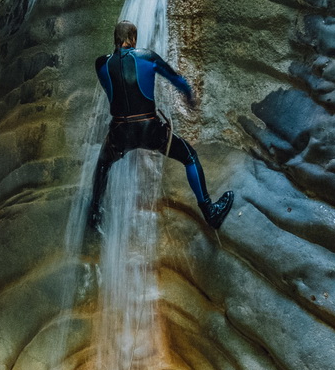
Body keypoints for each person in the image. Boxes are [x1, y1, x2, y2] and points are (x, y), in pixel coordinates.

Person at [87, 20, 234, 230]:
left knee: (103, 165)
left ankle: (94, 215)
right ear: (134, 39)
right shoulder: (148, 57)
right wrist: (189, 97)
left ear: (115, 39)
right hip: (150, 130)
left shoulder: (101, 64)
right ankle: (210, 211)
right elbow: (178, 81)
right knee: (190, 157)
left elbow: (112, 86)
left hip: (120, 133)